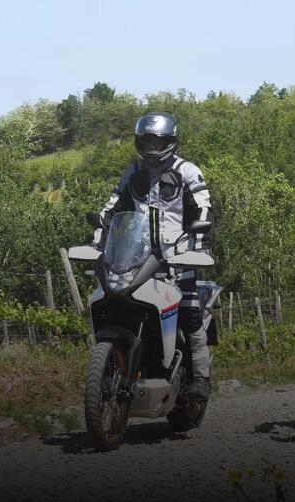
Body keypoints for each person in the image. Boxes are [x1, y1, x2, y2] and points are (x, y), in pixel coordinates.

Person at [93, 112, 214, 400]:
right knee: (113, 304)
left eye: (157, 141)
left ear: (170, 142)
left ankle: (200, 379)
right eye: (146, 140)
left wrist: (199, 246)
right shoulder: (131, 173)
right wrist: (99, 244)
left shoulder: (187, 171)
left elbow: (204, 210)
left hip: (178, 259)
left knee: (190, 315)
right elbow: (109, 212)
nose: (151, 147)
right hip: (135, 257)